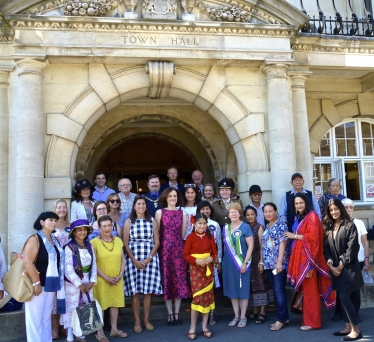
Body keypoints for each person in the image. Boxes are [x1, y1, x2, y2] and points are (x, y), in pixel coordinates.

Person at [285, 193, 335, 331]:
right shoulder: (300, 217)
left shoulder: (312, 216)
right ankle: (307, 319)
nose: (299, 205)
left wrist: (293, 236)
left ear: (306, 203)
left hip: (308, 262)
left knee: (310, 292)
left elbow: (313, 238)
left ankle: (314, 322)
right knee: (306, 292)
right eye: (296, 203)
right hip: (301, 260)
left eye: (301, 203)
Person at [324, 198, 364, 341]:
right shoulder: (329, 227)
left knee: (346, 298)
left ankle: (356, 330)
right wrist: (330, 265)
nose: (334, 212)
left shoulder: (349, 225)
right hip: (335, 269)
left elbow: (353, 249)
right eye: (331, 210)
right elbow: (326, 249)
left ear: (340, 208)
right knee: (342, 298)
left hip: (348, 269)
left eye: (336, 209)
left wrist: (340, 266)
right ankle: (347, 327)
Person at [23, 211, 65, 342]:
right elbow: (27, 262)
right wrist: (36, 284)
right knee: (34, 320)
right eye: (50, 220)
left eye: (55, 220)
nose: (53, 222)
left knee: (46, 318)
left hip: (51, 285)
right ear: (42, 222)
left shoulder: (55, 240)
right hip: (38, 285)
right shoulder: (34, 239)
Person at [123, 195, 162, 334]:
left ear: (146, 206)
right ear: (134, 206)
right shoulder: (128, 222)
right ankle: (137, 321)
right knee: (135, 292)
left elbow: (157, 242)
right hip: (133, 259)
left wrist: (149, 258)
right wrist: (134, 260)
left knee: (147, 292)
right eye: (138, 204)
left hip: (149, 259)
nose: (141, 206)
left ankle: (146, 320)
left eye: (143, 204)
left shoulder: (152, 220)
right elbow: (125, 243)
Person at [155, 188, 191, 326]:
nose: (172, 198)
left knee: (179, 280)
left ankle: (177, 313)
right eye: (170, 196)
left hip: (178, 250)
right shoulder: (160, 212)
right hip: (164, 250)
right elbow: (157, 233)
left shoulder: (183, 213)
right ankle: (170, 314)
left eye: (175, 196)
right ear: (165, 197)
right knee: (167, 280)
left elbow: (182, 234)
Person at [183, 213, 219, 340]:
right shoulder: (190, 237)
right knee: (197, 297)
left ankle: (204, 326)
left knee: (208, 298)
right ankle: (192, 327)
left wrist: (211, 258)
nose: (202, 226)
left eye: (204, 223)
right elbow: (185, 255)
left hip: (208, 269)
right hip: (196, 269)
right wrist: (196, 261)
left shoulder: (210, 237)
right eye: (199, 223)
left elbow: (215, 253)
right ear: (194, 224)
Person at [91, 215, 127, 340]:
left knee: (114, 303)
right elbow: (93, 264)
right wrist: (106, 278)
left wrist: (120, 274)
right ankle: (99, 332)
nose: (107, 228)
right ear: (99, 228)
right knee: (100, 305)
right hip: (101, 279)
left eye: (109, 225)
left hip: (117, 278)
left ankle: (114, 329)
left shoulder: (117, 240)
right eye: (104, 226)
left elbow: (123, 260)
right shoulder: (94, 243)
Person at [61, 219, 97, 342]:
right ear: (74, 232)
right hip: (73, 283)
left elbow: (94, 264)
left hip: (87, 281)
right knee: (73, 307)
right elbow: (68, 269)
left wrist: (92, 281)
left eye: (84, 229)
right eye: (79, 230)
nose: (82, 232)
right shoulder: (69, 247)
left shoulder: (89, 246)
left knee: (84, 307)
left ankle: (81, 333)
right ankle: (70, 333)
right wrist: (78, 284)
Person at [222, 202, 253, 328]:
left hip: (242, 262)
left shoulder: (245, 227)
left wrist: (245, 263)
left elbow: (251, 246)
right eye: (231, 212)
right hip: (228, 263)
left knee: (243, 289)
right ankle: (236, 316)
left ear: (239, 213)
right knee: (233, 290)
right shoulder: (225, 228)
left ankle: (243, 317)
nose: (233, 214)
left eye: (236, 212)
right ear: (228, 214)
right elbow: (225, 247)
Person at [340, 198, 370, 322]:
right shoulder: (339, 223)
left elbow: (365, 242)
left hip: (358, 259)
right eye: (346, 207)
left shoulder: (359, 223)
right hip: (343, 260)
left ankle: (355, 314)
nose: (348, 209)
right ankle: (344, 314)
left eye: (350, 207)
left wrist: (367, 258)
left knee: (356, 289)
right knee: (343, 289)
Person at [243, 206, 274, 324]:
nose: (250, 217)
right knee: (252, 285)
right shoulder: (245, 228)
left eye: (252, 214)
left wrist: (261, 262)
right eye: (248, 215)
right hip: (248, 260)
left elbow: (262, 246)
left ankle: (262, 312)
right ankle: (255, 310)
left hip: (257, 259)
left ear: (256, 215)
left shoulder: (259, 227)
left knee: (261, 284)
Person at [262, 203, 289, 331]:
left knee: (279, 292)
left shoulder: (281, 225)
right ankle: (284, 317)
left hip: (278, 264)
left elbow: (283, 244)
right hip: (268, 264)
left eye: (270, 211)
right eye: (265, 211)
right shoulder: (267, 226)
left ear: (276, 211)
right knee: (276, 291)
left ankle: (281, 319)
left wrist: (279, 262)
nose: (268, 213)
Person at [196, 200, 222, 325]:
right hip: (198, 263)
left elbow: (219, 245)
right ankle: (200, 314)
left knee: (211, 289)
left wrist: (218, 261)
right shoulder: (194, 225)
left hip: (212, 261)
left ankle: (211, 315)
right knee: (199, 289)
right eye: (202, 209)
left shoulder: (215, 224)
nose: (205, 211)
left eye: (207, 209)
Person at [51, 199, 71, 339]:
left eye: (64, 207)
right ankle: (54, 327)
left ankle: (65, 325)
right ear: (55, 209)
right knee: (54, 298)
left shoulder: (70, 225)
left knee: (66, 296)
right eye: (59, 207)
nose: (62, 210)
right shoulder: (50, 225)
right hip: (55, 265)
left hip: (69, 265)